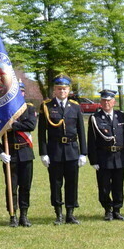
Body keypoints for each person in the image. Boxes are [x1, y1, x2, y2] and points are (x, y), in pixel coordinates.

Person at [38, 74, 87, 224]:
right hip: (55, 150)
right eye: (59, 89)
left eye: (64, 89)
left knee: (72, 183)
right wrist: (43, 153)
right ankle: (58, 213)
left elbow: (81, 131)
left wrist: (83, 153)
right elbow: (41, 133)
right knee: (56, 183)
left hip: (72, 150)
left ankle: (70, 213)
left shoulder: (75, 106)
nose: (62, 92)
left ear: (68, 90)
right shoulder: (46, 106)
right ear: (54, 90)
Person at [0, 84, 38, 227]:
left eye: (21, 92)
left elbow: (31, 125)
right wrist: (0, 152)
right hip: (9, 153)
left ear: (23, 94)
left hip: (26, 153)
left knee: (25, 186)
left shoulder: (29, 108)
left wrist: (13, 125)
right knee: (11, 187)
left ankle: (24, 215)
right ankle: (13, 215)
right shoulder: (2, 111)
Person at [87, 89, 124, 220]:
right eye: (104, 100)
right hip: (103, 156)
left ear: (114, 102)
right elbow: (91, 140)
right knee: (104, 185)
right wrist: (93, 160)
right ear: (100, 102)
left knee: (118, 185)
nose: (106, 103)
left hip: (119, 156)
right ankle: (107, 210)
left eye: (109, 100)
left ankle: (117, 209)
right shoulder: (95, 118)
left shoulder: (121, 116)